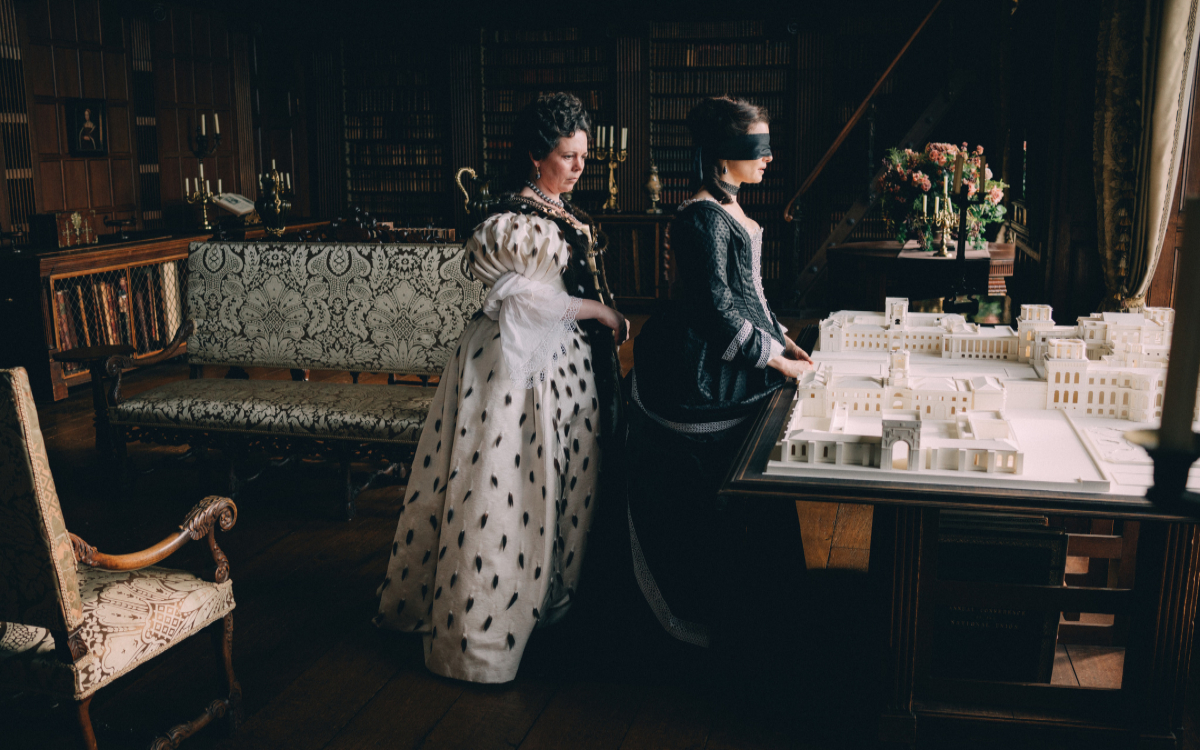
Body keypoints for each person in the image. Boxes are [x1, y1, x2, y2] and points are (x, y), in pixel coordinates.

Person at [376, 92, 628, 684]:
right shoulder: (514, 222)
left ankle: (547, 604)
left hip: (562, 368)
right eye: (568, 157)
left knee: (562, 480)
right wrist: (600, 312)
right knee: (511, 483)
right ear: (537, 156)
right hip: (517, 372)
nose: (579, 167)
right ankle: (483, 631)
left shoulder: (555, 209)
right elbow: (524, 301)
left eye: (584, 157)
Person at [625, 96, 813, 650]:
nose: (769, 158)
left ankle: (765, 597)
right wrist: (774, 359)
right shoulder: (700, 217)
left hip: (730, 347)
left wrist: (785, 340)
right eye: (759, 148)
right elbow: (715, 309)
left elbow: (750, 296)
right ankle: (732, 605)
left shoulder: (728, 211)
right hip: (696, 368)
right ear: (725, 155)